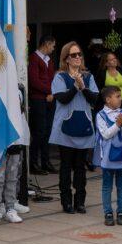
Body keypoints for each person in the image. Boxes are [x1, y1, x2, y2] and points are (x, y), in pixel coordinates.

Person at [49, 42, 99, 214]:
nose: (78, 57)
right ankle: (66, 201)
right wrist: (75, 86)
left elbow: (94, 99)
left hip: (83, 126)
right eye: (73, 55)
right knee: (66, 165)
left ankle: (80, 201)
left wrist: (83, 87)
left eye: (79, 54)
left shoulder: (88, 77)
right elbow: (62, 99)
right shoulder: (60, 77)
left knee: (80, 166)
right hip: (65, 128)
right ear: (66, 59)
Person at [0, 84, 28, 226]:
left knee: (12, 177)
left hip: (14, 141)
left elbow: (20, 114)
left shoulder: (18, 93)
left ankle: (10, 208)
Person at [95, 85, 122, 226]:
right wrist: (117, 125)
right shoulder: (100, 115)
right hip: (107, 156)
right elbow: (105, 134)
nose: (120, 98)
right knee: (107, 185)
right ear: (108, 99)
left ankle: (121, 212)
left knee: (121, 185)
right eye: (117, 96)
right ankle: (108, 212)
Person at [28, 35, 57, 174]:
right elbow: (34, 81)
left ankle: (45, 162)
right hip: (38, 99)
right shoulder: (34, 58)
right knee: (39, 132)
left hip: (49, 99)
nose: (53, 48)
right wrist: (49, 91)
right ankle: (33, 163)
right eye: (53, 45)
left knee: (47, 132)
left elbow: (52, 78)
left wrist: (52, 93)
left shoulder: (49, 60)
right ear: (46, 43)